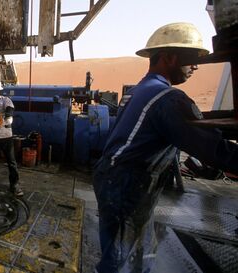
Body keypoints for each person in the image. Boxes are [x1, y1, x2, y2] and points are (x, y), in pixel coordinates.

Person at [92, 22, 238, 273]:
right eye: (192, 59)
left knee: (135, 249)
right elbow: (210, 147)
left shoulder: (143, 89)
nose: (195, 67)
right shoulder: (168, 99)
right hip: (127, 185)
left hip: (117, 177)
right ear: (169, 57)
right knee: (120, 260)